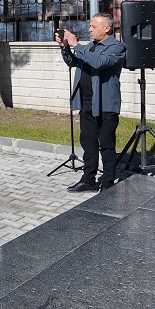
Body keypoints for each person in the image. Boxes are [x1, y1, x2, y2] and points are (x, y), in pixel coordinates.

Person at [56, 13, 126, 192]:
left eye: (94, 26)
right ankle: (88, 179)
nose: (90, 29)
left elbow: (99, 63)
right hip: (87, 102)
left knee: (106, 143)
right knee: (88, 143)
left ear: (107, 28)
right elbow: (73, 62)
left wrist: (77, 45)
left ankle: (108, 181)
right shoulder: (90, 46)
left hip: (105, 104)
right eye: (90, 26)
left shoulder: (116, 47)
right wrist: (65, 48)